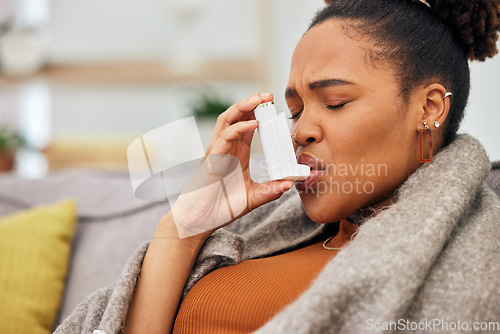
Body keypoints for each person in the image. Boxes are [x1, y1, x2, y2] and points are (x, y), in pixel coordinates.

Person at [55, 0, 500, 333]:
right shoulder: (268, 236)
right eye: (295, 110)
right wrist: (184, 229)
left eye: (335, 102)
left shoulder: (475, 259)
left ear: (429, 107)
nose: (300, 131)